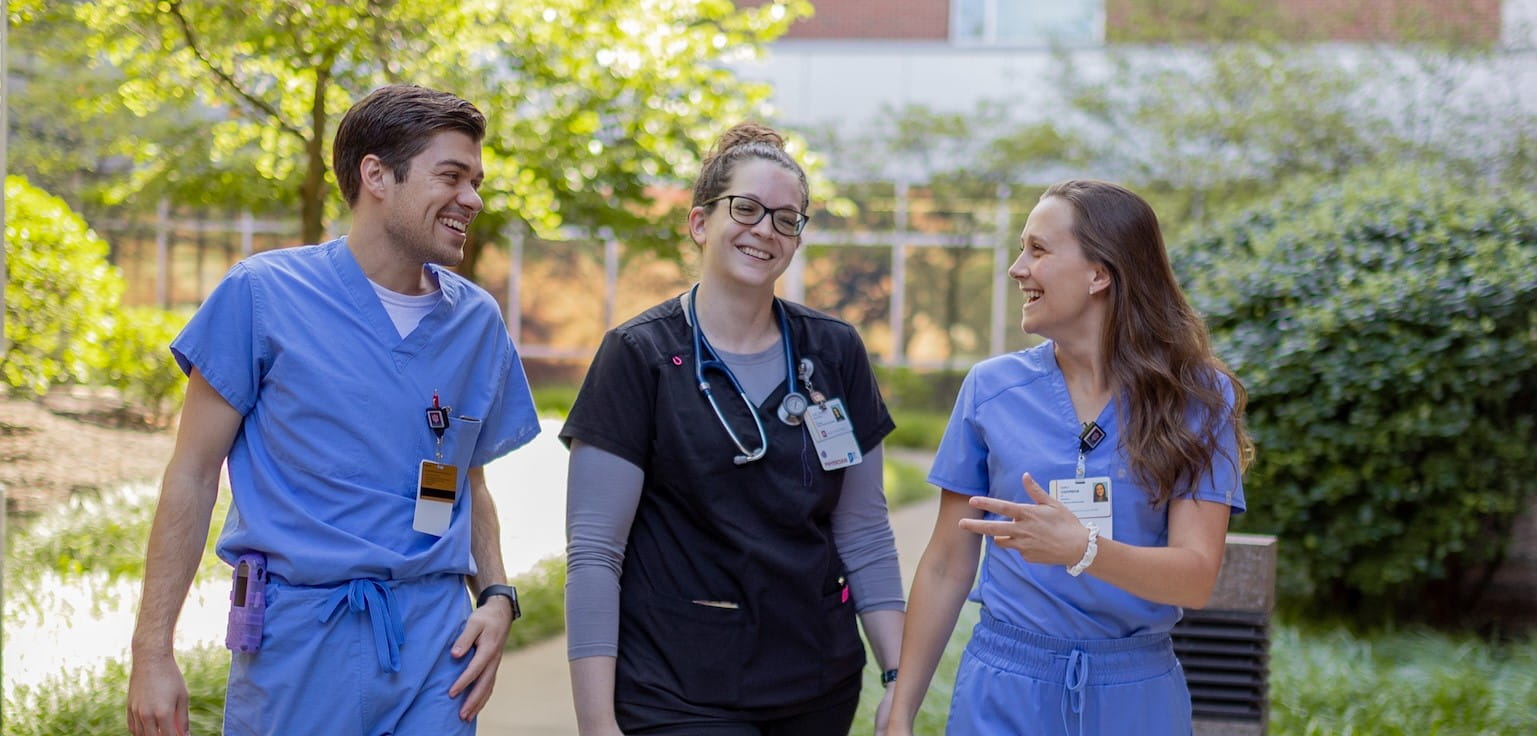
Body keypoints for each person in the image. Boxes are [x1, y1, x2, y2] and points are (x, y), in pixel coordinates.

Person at [125, 84, 542, 736]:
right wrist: (152, 651)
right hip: (297, 640)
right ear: (376, 174)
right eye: (452, 176)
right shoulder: (261, 295)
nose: (473, 199)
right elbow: (193, 474)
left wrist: (495, 595)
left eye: (477, 180)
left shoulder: (476, 324)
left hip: (437, 646)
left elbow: (467, 480)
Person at [561, 122, 906, 735]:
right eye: (744, 209)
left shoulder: (833, 352)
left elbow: (864, 530)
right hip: (677, 687)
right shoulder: (638, 356)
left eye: (786, 218)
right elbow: (594, 555)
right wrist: (596, 724)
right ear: (699, 222)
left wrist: (898, 682)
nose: (764, 230)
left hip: (816, 682)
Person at [884, 180, 1252, 735]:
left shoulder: (1198, 398)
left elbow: (1195, 577)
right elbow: (945, 563)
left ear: (1099, 273)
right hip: (1006, 687)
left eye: (1038, 250)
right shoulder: (991, 390)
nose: (1016, 268)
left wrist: (1083, 549)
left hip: (1136, 693)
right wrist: (901, 711)